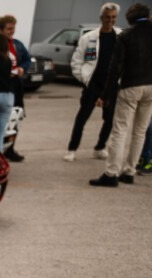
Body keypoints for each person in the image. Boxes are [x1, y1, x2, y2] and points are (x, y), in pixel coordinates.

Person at [90, 2, 152, 185]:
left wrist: (105, 95)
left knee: (120, 131)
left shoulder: (125, 35)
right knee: (140, 132)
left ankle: (111, 174)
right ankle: (129, 172)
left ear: (130, 19)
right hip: (151, 87)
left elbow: (115, 68)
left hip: (131, 86)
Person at [65, 3, 122, 160]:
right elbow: (76, 61)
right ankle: (72, 149)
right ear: (101, 17)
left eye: (113, 17)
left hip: (111, 86)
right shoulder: (88, 38)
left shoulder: (120, 36)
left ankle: (100, 147)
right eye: (107, 17)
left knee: (110, 119)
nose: (110, 20)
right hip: (93, 85)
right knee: (82, 118)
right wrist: (84, 79)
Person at [0, 14, 31, 161]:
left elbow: (27, 59)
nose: (12, 32)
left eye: (13, 28)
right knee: (1, 119)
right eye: (9, 29)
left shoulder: (17, 44)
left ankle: (10, 149)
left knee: (16, 117)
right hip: (1, 87)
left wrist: (22, 68)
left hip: (16, 86)